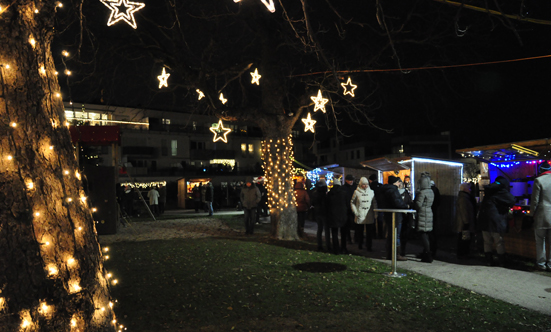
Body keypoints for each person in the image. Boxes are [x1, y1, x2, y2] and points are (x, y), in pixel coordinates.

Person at [478, 176, 515, 267]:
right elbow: (512, 200)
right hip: (496, 221)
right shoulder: (501, 190)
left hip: (484, 220)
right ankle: (502, 262)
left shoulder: (489, 189)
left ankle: (489, 261)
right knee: (499, 242)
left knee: (487, 242)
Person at [379, 176, 408, 261]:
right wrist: (406, 206)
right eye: (398, 182)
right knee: (396, 235)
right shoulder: (393, 190)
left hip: (388, 215)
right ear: (395, 182)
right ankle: (396, 254)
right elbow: (397, 203)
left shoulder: (385, 190)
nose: (399, 183)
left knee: (390, 235)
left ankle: (389, 254)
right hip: (396, 215)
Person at [530, 161, 551, 271]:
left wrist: (531, 214)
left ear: (540, 170)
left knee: (540, 241)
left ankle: (541, 263)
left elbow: (535, 201)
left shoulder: (538, 180)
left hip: (542, 216)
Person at [351, 177, 376, 251]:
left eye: (366, 184)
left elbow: (374, 203)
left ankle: (369, 246)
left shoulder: (371, 192)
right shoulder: (356, 192)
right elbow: (352, 202)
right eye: (363, 184)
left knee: (369, 232)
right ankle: (360, 244)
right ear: (360, 184)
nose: (365, 186)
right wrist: (355, 212)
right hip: (360, 213)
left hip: (369, 214)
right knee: (360, 232)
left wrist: (375, 213)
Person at [414, 174, 435, 263]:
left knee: (423, 234)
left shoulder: (422, 192)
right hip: (429, 212)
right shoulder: (431, 191)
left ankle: (427, 254)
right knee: (426, 234)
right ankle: (427, 253)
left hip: (423, 213)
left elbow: (418, 204)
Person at [327, 177, 349, 254]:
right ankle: (343, 247)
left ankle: (336, 249)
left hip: (333, 215)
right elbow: (347, 204)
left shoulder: (330, 194)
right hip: (342, 215)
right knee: (343, 233)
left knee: (334, 233)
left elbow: (327, 205)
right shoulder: (344, 193)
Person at [455, 183, 476, 259]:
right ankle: (463, 254)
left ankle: (463, 253)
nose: (470, 190)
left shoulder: (464, 197)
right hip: (464, 224)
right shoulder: (464, 198)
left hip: (463, 223)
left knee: (464, 239)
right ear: (465, 189)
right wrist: (466, 222)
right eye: (469, 188)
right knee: (464, 240)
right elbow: (464, 211)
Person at [311, 179, 330, 251]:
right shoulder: (324, 194)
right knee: (326, 230)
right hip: (324, 213)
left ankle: (320, 245)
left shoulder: (315, 193)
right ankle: (328, 245)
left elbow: (313, 203)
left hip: (317, 212)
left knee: (319, 229)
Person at [369, 174, 385, 239]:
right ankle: (380, 234)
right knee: (380, 220)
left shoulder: (370, 187)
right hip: (381, 205)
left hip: (372, 205)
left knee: (373, 220)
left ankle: (373, 234)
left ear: (370, 180)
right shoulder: (381, 186)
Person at [343, 174, 357, 244]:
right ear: (346, 181)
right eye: (350, 180)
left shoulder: (355, 187)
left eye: (352, 180)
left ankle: (355, 238)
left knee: (355, 224)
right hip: (348, 208)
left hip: (354, 208)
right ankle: (349, 239)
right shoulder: (344, 188)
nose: (351, 181)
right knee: (348, 225)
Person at [430, 180, 441, 257]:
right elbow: (438, 201)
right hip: (434, 212)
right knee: (433, 232)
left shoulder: (428, 191)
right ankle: (433, 249)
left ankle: (430, 250)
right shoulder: (436, 190)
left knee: (429, 233)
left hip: (429, 213)